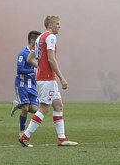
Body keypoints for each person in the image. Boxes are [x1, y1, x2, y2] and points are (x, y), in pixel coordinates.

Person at [19, 15, 78, 147]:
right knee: (44, 108)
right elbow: (51, 59)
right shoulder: (51, 37)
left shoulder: (40, 38)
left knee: (58, 105)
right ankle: (25, 136)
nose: (59, 26)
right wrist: (62, 78)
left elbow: (29, 59)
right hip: (47, 79)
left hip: (44, 78)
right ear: (50, 25)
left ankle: (61, 138)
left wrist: (39, 66)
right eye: (57, 24)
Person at [11, 30, 42, 135]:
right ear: (33, 40)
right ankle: (22, 131)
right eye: (38, 40)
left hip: (32, 85)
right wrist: (33, 70)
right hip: (22, 84)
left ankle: (17, 105)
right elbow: (19, 69)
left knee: (34, 109)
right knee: (25, 107)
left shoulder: (37, 54)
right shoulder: (23, 53)